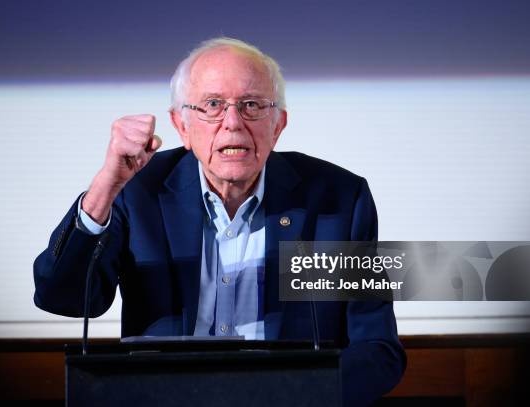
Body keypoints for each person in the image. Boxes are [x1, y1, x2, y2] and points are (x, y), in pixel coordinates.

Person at [33, 37, 405, 406]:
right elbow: (61, 297)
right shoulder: (137, 191)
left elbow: (376, 349)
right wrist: (105, 187)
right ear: (182, 126)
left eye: (252, 105)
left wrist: (296, 395)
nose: (232, 123)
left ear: (278, 125)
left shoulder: (335, 201)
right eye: (212, 105)